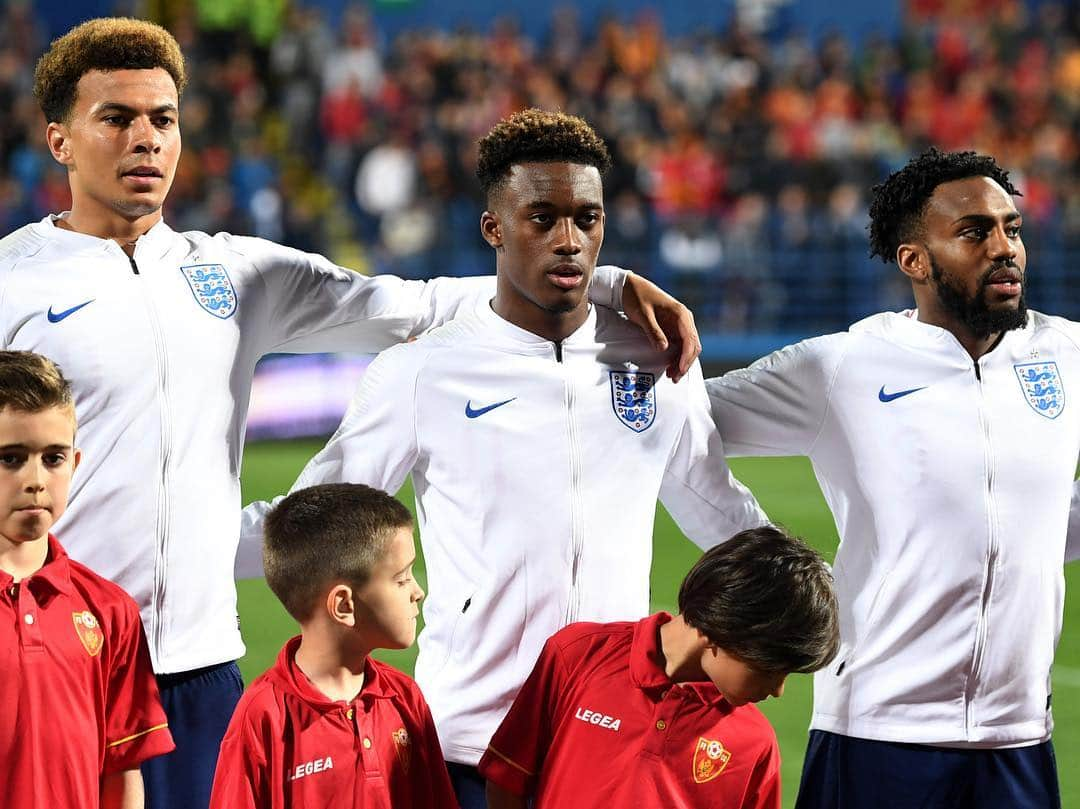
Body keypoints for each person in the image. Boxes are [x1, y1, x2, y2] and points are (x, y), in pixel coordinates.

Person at [0, 18, 700, 808]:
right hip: (56, 656)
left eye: (163, 120)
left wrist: (604, 284)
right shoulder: (14, 283)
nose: (146, 140)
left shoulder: (233, 272)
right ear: (59, 140)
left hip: (201, 664)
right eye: (117, 119)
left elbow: (412, 306)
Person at [241, 108, 767, 809]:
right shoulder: (425, 372)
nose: (569, 241)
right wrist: (167, 550)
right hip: (471, 741)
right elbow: (310, 523)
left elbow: (719, 509)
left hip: (610, 741)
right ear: (494, 228)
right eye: (542, 218)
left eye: (587, 219)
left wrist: (819, 591)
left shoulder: (653, 357)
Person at [707, 148, 1077, 808]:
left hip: (1018, 737)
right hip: (876, 734)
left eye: (1011, 228)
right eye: (974, 231)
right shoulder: (842, 367)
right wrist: (748, 536)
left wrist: (1044, 532)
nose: (1004, 247)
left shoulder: (1065, 355)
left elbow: (1036, 514)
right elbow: (678, 418)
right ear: (914, 260)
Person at [479, 525, 840, 809]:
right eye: (772, 667)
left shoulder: (755, 743)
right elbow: (507, 776)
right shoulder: (577, 655)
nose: (778, 690)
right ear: (724, 628)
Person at [209, 483, 457, 808]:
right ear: (344, 605)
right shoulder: (263, 716)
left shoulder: (404, 697)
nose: (417, 591)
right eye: (401, 578)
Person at [0, 350, 174, 808]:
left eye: (52, 458)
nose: (36, 480)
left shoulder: (110, 609)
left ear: (75, 464)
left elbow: (122, 767)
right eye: (11, 458)